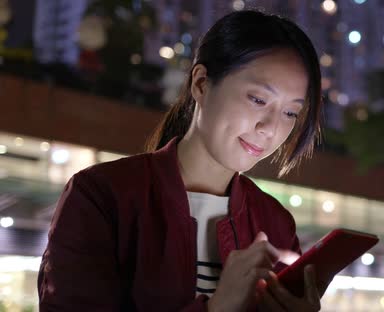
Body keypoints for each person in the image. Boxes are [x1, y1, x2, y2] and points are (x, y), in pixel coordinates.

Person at [37, 10, 328, 312]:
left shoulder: (275, 222)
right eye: (258, 100)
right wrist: (216, 308)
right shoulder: (102, 195)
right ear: (201, 83)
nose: (270, 128)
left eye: (290, 113)